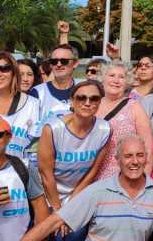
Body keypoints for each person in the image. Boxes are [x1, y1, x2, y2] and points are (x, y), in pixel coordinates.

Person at [22, 136, 153, 241]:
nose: (135, 161)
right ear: (117, 160)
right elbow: (54, 222)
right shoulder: (98, 191)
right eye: (128, 156)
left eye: (140, 155)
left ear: (146, 158)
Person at [37, 79, 112, 235]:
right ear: (72, 100)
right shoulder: (53, 129)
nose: (87, 102)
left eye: (94, 98)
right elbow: (46, 174)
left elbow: (92, 172)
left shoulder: (105, 129)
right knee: (53, 232)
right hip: (49, 192)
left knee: (75, 232)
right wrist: (58, 211)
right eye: (81, 97)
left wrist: (71, 206)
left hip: (77, 192)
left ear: (100, 102)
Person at [95, 62, 153, 179]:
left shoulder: (135, 107)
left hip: (125, 178)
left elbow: (148, 148)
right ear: (102, 79)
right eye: (111, 75)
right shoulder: (92, 105)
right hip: (93, 178)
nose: (116, 80)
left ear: (127, 82)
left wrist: (145, 181)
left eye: (121, 77)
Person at [32, 44, 82, 126]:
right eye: (54, 61)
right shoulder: (37, 92)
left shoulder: (85, 88)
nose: (59, 65)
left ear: (75, 63)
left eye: (64, 61)